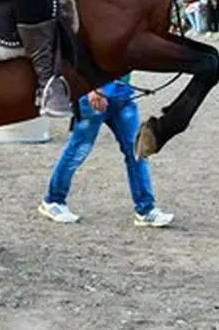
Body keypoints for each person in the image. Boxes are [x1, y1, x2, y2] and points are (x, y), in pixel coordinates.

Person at [38, 74, 175, 227]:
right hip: (95, 95)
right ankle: (53, 200)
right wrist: (91, 89)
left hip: (123, 94)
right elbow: (78, 55)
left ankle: (145, 209)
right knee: (77, 151)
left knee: (137, 151)